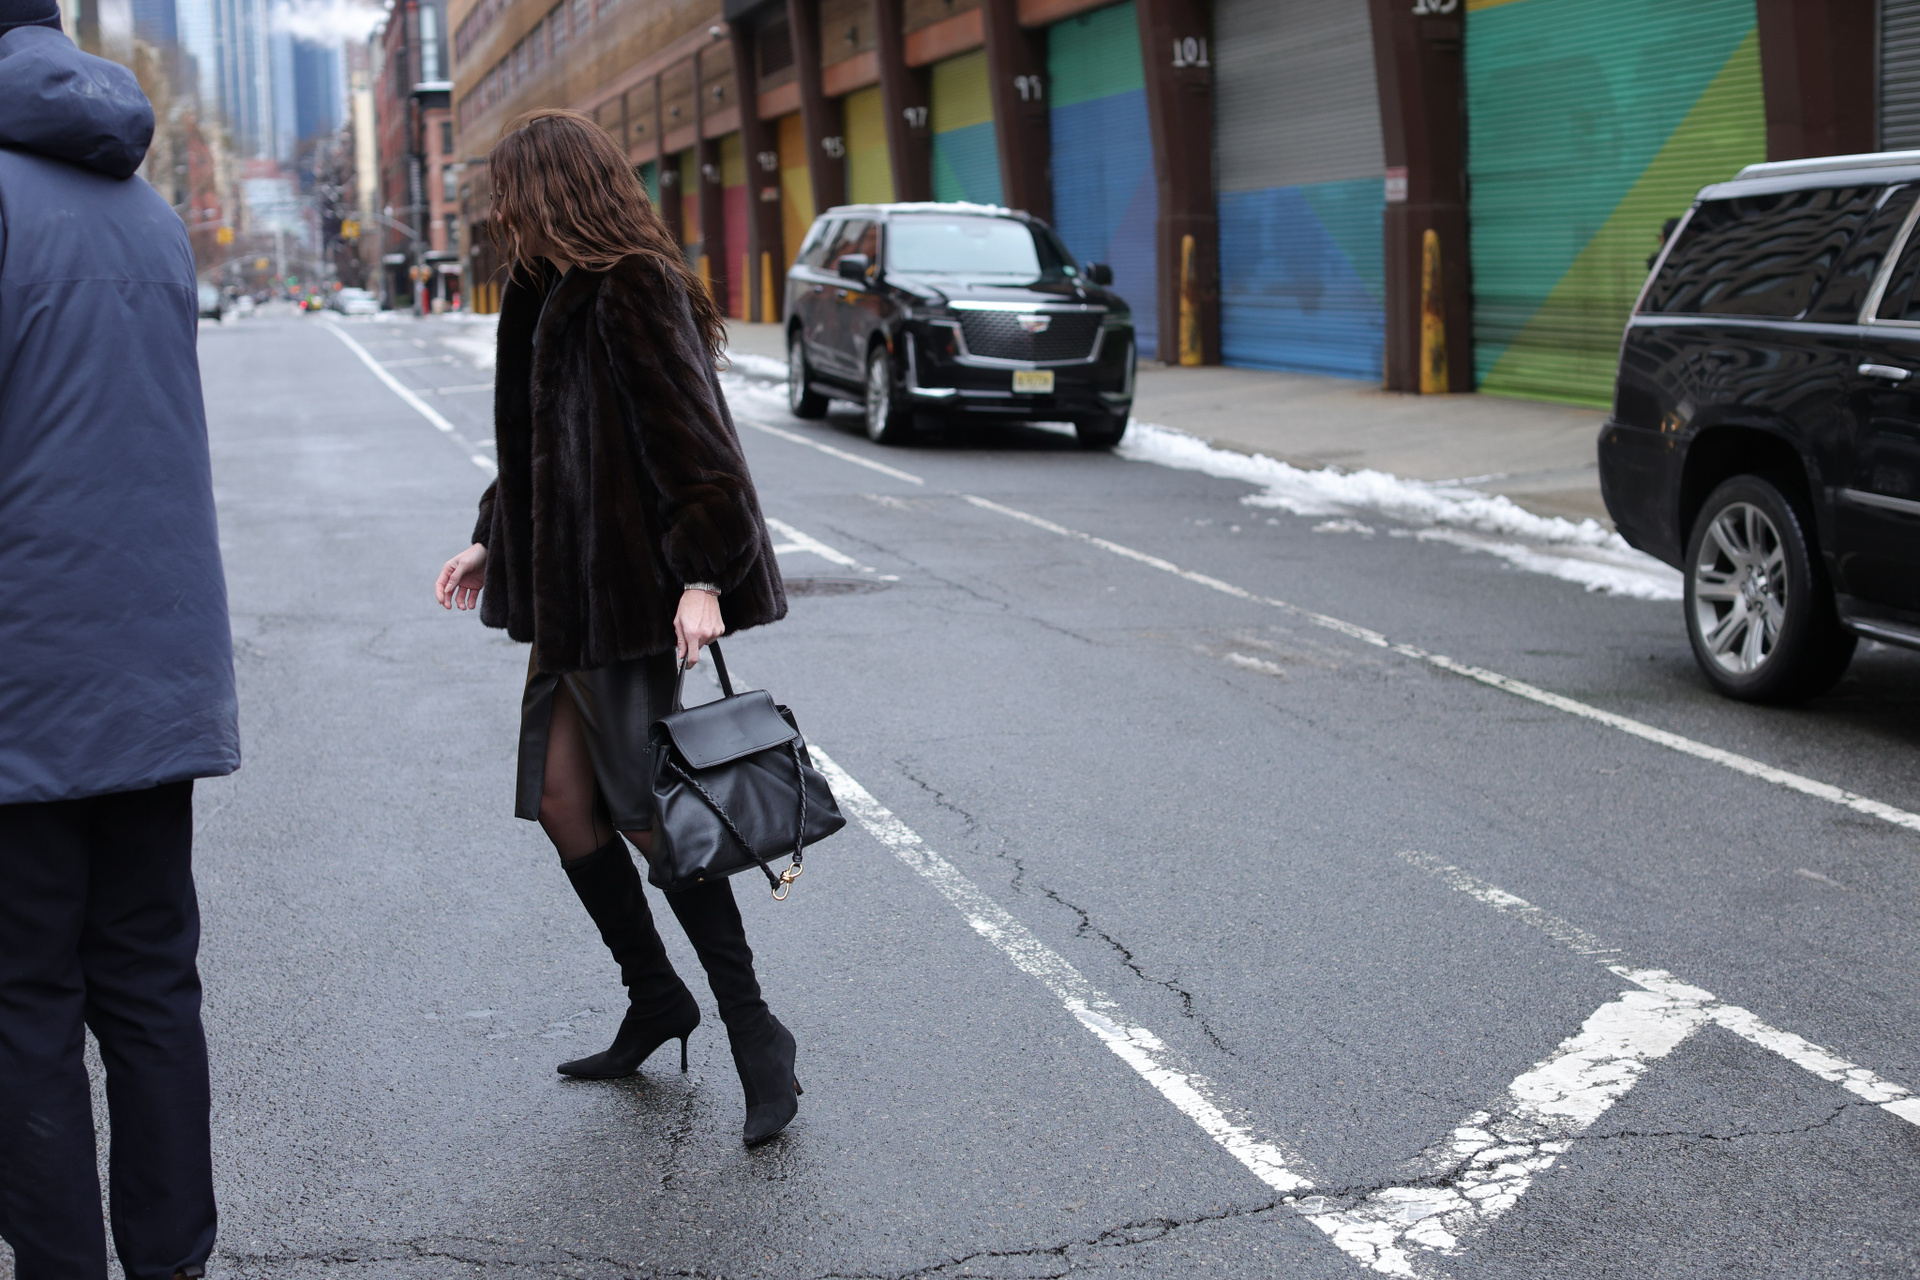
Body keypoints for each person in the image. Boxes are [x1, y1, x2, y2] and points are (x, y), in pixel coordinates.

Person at [434, 109, 797, 1146]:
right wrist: (493, 537)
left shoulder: (631, 283)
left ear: (553, 189)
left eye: (511, 192)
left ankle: (755, 1030)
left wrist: (702, 577)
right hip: (568, 600)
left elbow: (697, 450)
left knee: (647, 812)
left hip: (631, 595)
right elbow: (542, 447)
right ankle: (656, 997)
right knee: (562, 801)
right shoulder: (541, 289)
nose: (500, 212)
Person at [0, 4, 238, 1278]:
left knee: (24, 998)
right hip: (157, 674)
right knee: (150, 984)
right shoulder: (146, 208)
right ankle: (171, 1261)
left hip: (23, 681)